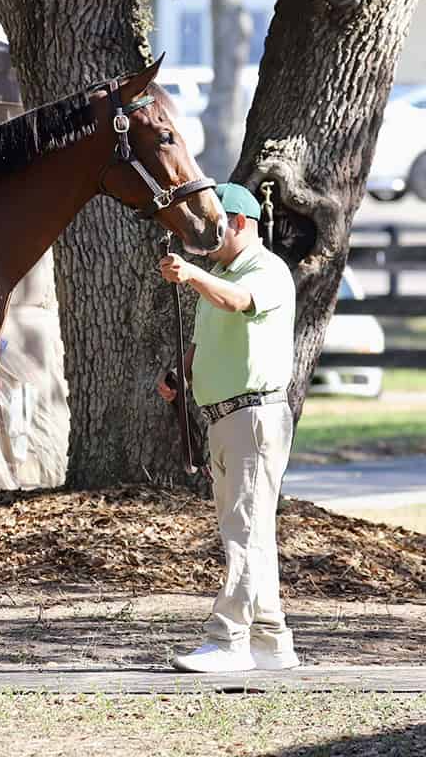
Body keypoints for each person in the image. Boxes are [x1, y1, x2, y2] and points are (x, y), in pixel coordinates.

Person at [157, 182, 299, 673]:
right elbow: (205, 336)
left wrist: (193, 273)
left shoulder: (267, 270)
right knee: (250, 531)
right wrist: (181, 373)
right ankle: (272, 641)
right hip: (225, 418)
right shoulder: (218, 275)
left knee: (244, 533)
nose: (204, 237)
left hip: (254, 417)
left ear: (239, 223)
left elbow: (238, 302)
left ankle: (229, 639)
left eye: (213, 228)